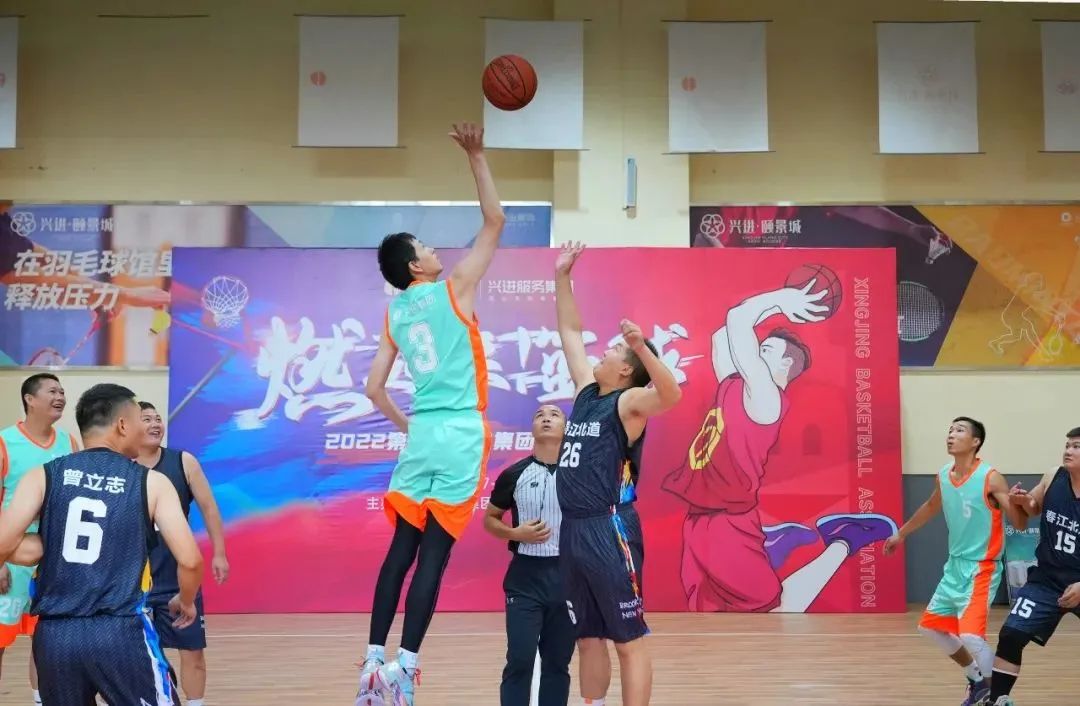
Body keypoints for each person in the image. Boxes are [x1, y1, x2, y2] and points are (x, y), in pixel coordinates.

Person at [357, 122, 504, 706]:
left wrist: (409, 427)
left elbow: (373, 389)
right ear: (415, 266)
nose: (435, 251)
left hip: (422, 436)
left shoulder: (394, 315)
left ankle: (373, 660)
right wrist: (476, 156)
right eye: (424, 247)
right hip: (461, 431)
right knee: (434, 558)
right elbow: (494, 220)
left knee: (400, 552)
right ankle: (405, 670)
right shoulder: (454, 290)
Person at [661, 280, 898, 614]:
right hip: (700, 515)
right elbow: (722, 335)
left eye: (766, 350)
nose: (755, 351)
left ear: (785, 365)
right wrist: (777, 307)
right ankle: (772, 544)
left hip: (729, 520)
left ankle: (844, 540)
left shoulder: (766, 397)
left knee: (774, 609)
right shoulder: (735, 386)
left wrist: (782, 299)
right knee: (707, 609)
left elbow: (738, 319)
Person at [0, 383, 204, 705]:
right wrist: (187, 600)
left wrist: (45, 547)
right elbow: (190, 560)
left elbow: (5, 543)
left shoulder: (43, 475)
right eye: (138, 420)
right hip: (121, 632)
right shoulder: (151, 482)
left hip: (56, 637)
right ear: (122, 425)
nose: (144, 429)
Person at [552, 242, 682, 706]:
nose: (601, 352)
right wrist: (562, 276)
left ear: (626, 369)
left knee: (628, 640)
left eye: (612, 350)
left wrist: (641, 345)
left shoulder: (628, 404)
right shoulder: (587, 392)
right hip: (573, 528)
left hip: (610, 529)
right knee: (588, 639)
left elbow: (671, 395)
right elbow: (570, 330)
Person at [884, 417, 1025, 706]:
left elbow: (1020, 524)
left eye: (959, 430)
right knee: (930, 627)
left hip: (982, 568)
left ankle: (999, 696)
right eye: (950, 430)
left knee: (971, 635)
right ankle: (977, 681)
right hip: (955, 566)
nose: (951, 434)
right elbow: (930, 506)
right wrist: (901, 533)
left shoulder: (990, 477)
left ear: (975, 441)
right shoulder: (944, 475)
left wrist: (1016, 502)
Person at [136, 401, 230, 706]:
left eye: (157, 419)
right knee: (142, 656)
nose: (155, 424)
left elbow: (209, 508)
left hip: (178, 577)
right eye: (146, 419)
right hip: (134, 581)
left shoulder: (183, 461)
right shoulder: (122, 466)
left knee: (193, 652)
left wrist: (219, 553)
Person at [979, 427, 1080, 706]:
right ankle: (998, 700)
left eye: (1077, 446)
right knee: (1011, 634)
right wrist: (1022, 501)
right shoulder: (1054, 475)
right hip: (1047, 580)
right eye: (1067, 445)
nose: (1068, 451)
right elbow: (1034, 506)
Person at [485, 404, 574, 706]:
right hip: (525, 580)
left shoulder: (580, 474)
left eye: (555, 415)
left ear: (567, 429)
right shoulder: (513, 474)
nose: (546, 418)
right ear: (532, 429)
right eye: (539, 415)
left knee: (557, 663)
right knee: (520, 659)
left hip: (569, 579)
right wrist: (515, 533)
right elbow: (490, 519)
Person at [0, 373, 79, 705]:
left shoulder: (69, 443)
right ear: (30, 399)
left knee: (45, 641)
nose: (60, 396)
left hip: (52, 558)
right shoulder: (5, 442)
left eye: (62, 391)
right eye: (52, 391)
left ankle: (40, 699)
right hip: (11, 556)